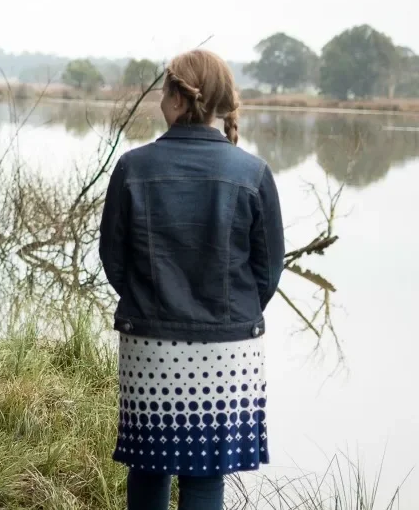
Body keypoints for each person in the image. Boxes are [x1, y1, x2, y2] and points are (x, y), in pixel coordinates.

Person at [98, 49, 285, 510]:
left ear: (179, 99)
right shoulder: (253, 172)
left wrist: (149, 301)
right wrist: (228, 313)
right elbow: (267, 273)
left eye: (164, 91)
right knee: (206, 476)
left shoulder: (133, 167)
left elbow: (114, 261)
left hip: (150, 344)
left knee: (148, 467)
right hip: (228, 350)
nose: (160, 99)